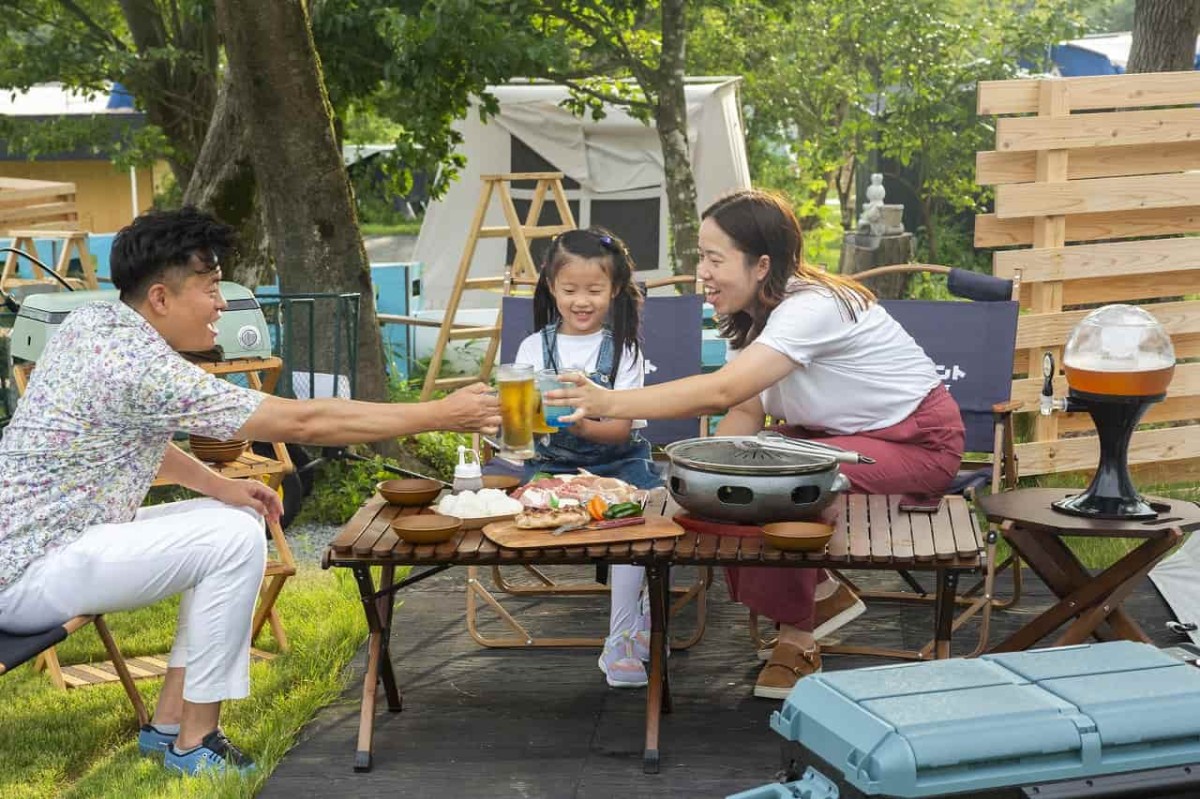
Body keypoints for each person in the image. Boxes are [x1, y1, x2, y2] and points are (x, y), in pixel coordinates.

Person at [0, 207, 500, 776]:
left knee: (234, 522)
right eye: (211, 288)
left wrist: (222, 486)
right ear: (160, 298)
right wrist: (439, 412)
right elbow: (305, 423)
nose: (222, 303)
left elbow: (132, 439)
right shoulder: (138, 365)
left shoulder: (94, 326)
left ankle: (169, 729)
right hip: (30, 572)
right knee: (232, 541)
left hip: (45, 548)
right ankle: (195, 743)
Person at [550, 189, 965, 700]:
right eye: (700, 256)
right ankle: (823, 595)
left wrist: (609, 402)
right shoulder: (751, 314)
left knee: (780, 488)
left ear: (761, 263)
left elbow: (722, 391)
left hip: (914, 441)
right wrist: (707, 477)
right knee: (728, 490)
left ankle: (798, 639)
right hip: (826, 438)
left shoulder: (812, 307)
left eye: (714, 258)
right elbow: (745, 408)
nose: (701, 270)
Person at [512, 227, 661, 689]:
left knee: (637, 523)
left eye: (594, 290)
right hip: (556, 468)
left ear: (614, 291)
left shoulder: (624, 350)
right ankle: (637, 623)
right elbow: (520, 423)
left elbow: (619, 430)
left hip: (620, 464)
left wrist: (575, 420)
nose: (582, 300)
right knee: (527, 509)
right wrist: (526, 415)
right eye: (570, 289)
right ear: (551, 288)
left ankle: (622, 635)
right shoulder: (534, 348)